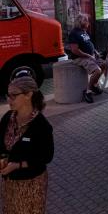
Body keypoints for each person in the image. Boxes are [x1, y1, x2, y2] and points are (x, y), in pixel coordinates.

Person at [0, 75, 54, 214]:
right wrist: (2, 158)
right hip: (9, 184)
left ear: (28, 95)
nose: (8, 99)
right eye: (8, 95)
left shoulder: (41, 125)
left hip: (32, 184)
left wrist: (18, 165)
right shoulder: (8, 118)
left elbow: (46, 157)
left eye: (13, 95)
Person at [68, 13, 107, 104]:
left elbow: (89, 44)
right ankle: (88, 91)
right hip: (79, 58)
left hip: (90, 56)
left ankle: (93, 84)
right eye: (85, 20)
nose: (88, 22)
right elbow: (75, 50)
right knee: (97, 71)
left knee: (104, 64)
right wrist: (88, 56)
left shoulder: (83, 31)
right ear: (79, 21)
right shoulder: (74, 33)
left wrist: (95, 52)